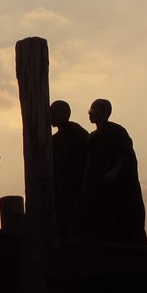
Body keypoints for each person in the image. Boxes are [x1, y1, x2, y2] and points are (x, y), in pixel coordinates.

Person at [71, 98, 147, 245]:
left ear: (105, 112)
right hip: (96, 184)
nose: (90, 114)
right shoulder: (92, 137)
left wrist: (115, 171)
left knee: (121, 216)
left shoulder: (116, 131)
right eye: (89, 111)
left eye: (94, 111)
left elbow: (126, 155)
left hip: (117, 184)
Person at [49, 100, 88, 239]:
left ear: (66, 114)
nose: (51, 116)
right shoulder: (53, 139)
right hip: (59, 187)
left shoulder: (75, 132)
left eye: (54, 113)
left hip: (72, 186)